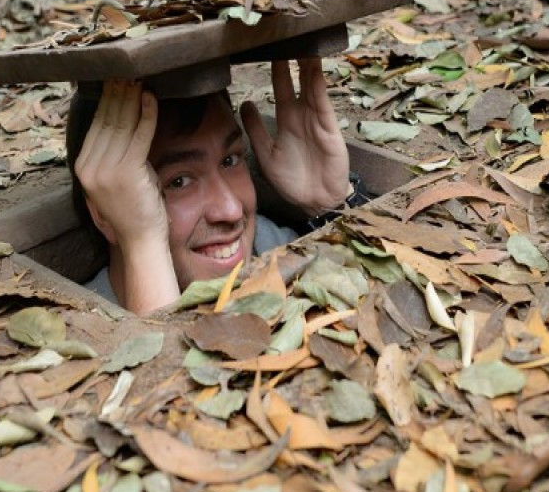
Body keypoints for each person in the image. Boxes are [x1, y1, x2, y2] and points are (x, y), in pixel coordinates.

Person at [65, 58, 353, 314]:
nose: (231, 210)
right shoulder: (81, 330)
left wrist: (331, 206)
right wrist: (144, 247)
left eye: (230, 160)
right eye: (179, 181)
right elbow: (163, 356)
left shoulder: (270, 245)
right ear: (104, 213)